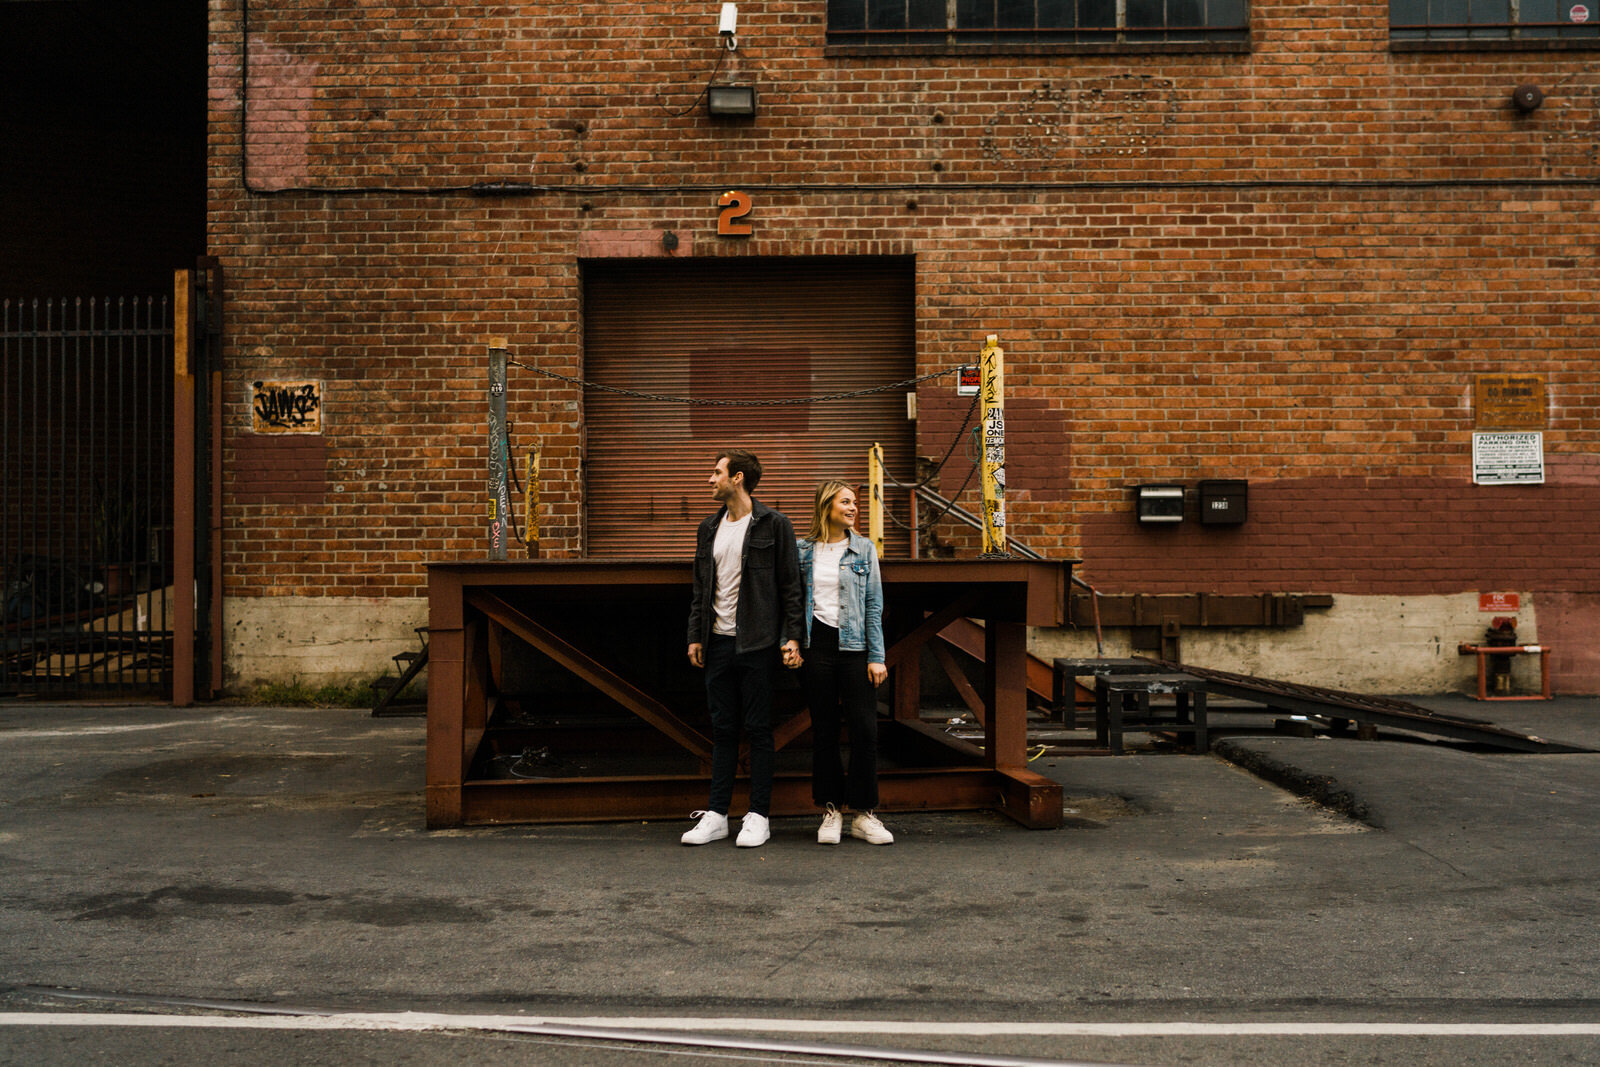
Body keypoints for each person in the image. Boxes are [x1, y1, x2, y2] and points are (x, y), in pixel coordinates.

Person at [683, 449, 804, 848]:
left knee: (757, 729)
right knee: (722, 729)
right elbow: (702, 587)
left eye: (715, 472)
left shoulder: (775, 525)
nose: (708, 479)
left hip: (757, 643)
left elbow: (790, 586)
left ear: (737, 478)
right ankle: (717, 814)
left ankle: (758, 816)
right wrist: (695, 634)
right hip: (716, 641)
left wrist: (792, 635)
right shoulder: (708, 527)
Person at [794, 480, 893, 846]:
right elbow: (793, 600)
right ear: (827, 506)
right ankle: (831, 811)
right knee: (824, 732)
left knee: (865, 730)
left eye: (855, 502)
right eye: (846, 501)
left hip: (855, 649)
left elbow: (873, 605)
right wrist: (790, 641)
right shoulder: (803, 550)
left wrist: (877, 656)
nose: (853, 508)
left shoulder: (864, 549)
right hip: (815, 647)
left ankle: (864, 814)